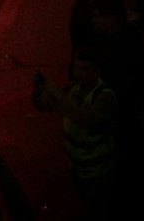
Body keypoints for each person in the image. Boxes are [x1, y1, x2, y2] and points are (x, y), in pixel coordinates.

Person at [31, 47, 120, 219]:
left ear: (97, 71)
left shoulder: (105, 96)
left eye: (84, 69)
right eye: (76, 68)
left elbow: (86, 119)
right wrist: (39, 90)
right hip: (78, 170)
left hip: (100, 174)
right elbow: (44, 106)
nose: (78, 73)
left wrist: (57, 95)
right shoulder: (73, 88)